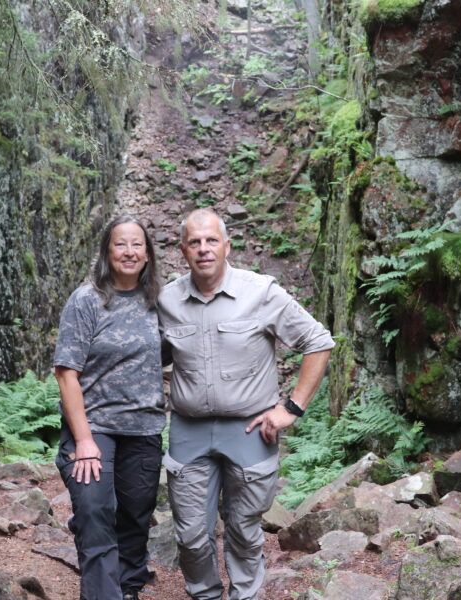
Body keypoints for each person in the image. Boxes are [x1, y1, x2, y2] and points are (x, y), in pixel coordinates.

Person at [158, 208, 334, 600]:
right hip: (188, 430)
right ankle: (204, 595)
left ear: (227, 246)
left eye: (211, 241)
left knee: (243, 530)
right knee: (190, 535)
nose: (204, 249)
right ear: (182, 250)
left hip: (250, 430)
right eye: (195, 242)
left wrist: (291, 408)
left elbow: (318, 342)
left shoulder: (261, 292)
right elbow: (151, 357)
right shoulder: (166, 299)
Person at [53, 215, 166, 600]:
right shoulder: (86, 300)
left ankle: (129, 590)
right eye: (121, 244)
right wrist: (83, 441)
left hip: (144, 428)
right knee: (94, 512)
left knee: (135, 517)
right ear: (107, 251)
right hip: (94, 427)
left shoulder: (160, 303)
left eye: (137, 244)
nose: (129, 252)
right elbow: (67, 373)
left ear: (148, 253)